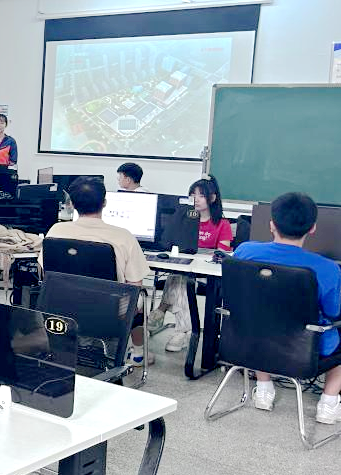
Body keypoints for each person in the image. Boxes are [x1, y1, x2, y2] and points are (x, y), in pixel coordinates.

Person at [234, 192, 341, 423]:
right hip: (303, 349)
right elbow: (333, 312)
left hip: (250, 341)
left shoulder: (244, 252)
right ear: (312, 228)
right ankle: (328, 404)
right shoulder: (327, 268)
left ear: (272, 224)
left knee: (261, 317)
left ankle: (264, 390)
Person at [41, 177, 153, 365]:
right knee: (139, 298)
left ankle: (80, 342)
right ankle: (138, 353)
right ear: (105, 203)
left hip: (62, 310)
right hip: (108, 315)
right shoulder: (123, 236)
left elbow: (45, 274)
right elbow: (134, 286)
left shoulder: (55, 231)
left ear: (71, 204)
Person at [146, 176, 232, 352]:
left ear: (212, 198)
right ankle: (183, 331)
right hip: (185, 268)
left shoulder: (222, 224)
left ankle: (162, 310)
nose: (196, 199)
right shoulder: (184, 220)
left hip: (206, 274)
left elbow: (221, 254)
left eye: (201, 195)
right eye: (192, 195)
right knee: (180, 278)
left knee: (179, 279)